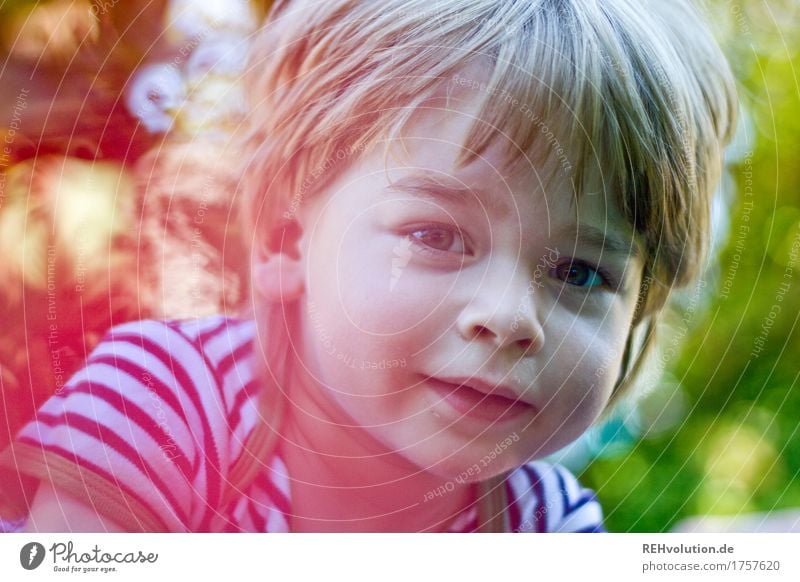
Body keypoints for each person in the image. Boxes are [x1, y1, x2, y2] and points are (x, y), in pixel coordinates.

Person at [0, 0, 736, 532]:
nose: (511, 316)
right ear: (286, 237)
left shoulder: (542, 525)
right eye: (438, 235)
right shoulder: (166, 407)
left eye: (580, 272)